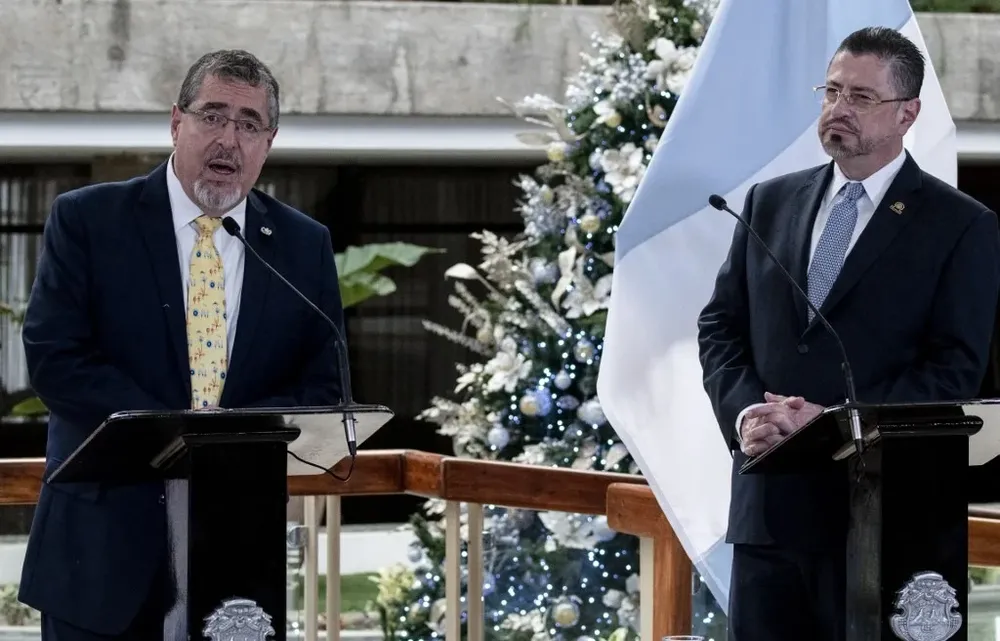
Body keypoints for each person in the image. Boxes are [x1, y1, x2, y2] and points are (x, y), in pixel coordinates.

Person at [17, 49, 345, 640]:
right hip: (100, 551)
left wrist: (228, 444)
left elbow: (322, 385)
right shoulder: (90, 221)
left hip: (239, 548)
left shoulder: (302, 245)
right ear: (176, 122)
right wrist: (175, 434)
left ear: (269, 142)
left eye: (249, 124)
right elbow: (54, 356)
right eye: (212, 116)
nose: (229, 140)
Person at [697, 27, 1000, 641]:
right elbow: (721, 325)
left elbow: (953, 371)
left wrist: (834, 424)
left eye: (861, 97)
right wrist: (748, 414)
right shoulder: (766, 203)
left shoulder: (962, 225)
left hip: (883, 523)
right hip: (768, 517)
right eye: (831, 91)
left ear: (907, 113)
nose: (838, 109)